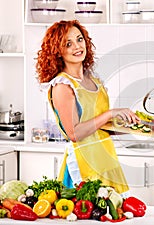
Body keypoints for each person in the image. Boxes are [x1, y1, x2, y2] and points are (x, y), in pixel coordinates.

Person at [36, 20, 140, 197]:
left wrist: (133, 125)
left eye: (79, 39)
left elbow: (101, 127)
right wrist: (110, 113)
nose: (77, 46)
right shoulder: (63, 85)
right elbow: (74, 133)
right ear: (57, 51)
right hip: (84, 164)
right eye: (68, 44)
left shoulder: (92, 80)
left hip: (105, 160)